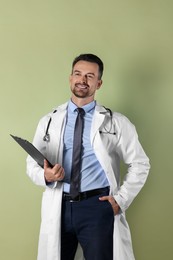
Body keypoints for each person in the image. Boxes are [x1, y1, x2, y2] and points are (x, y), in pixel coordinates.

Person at [26, 53, 150, 260]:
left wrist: (121, 200)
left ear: (98, 83)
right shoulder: (49, 120)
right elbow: (32, 163)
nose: (82, 80)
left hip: (97, 206)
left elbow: (140, 163)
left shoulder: (116, 122)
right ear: (70, 78)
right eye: (78, 74)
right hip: (59, 206)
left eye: (89, 76)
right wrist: (46, 175)